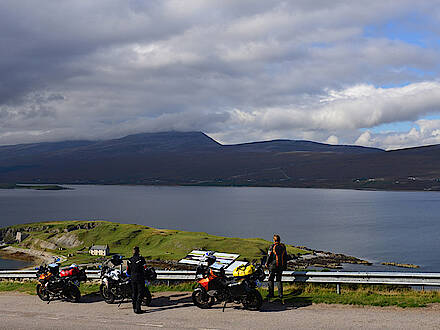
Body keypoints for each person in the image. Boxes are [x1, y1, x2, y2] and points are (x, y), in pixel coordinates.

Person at [265, 234, 287, 299]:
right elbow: (285, 256)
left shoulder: (272, 246)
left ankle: (271, 294)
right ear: (279, 240)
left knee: (270, 279)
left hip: (273, 265)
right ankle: (280, 294)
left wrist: (266, 263)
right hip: (280, 265)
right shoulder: (283, 246)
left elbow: (269, 256)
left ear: (274, 240)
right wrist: (285, 265)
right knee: (279, 280)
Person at [127, 246, 146, 314]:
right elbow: (144, 269)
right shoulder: (141, 259)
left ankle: (134, 307)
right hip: (140, 277)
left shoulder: (130, 260)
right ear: (138, 251)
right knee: (140, 293)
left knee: (134, 293)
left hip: (133, 278)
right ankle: (138, 308)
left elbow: (128, 271)